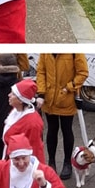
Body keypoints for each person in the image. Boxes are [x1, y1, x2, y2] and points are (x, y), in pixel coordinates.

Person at [35, 52, 88, 180]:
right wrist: (41, 93)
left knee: (66, 129)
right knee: (52, 130)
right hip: (49, 99)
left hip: (66, 98)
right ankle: (51, 162)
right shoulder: (45, 52)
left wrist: (69, 87)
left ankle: (67, 163)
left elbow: (83, 72)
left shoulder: (74, 52)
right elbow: (41, 71)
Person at [2, 77, 45, 161]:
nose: (9, 95)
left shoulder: (32, 123)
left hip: (21, 164)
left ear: (21, 100)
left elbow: (34, 151)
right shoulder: (15, 111)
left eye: (13, 94)